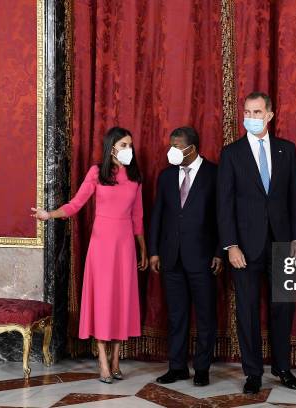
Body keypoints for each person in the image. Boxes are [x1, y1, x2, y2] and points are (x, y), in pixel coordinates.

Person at [31, 127, 148, 383]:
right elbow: (75, 204)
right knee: (104, 301)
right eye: (124, 145)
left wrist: (143, 249)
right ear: (112, 147)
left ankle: (117, 360)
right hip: (102, 246)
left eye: (131, 144)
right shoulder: (97, 172)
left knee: (122, 301)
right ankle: (103, 361)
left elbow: (138, 217)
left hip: (126, 245)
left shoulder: (136, 176)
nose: (129, 149)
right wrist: (48, 214)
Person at [217, 92, 296, 394]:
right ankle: (252, 372)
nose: (251, 117)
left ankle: (282, 367)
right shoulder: (231, 153)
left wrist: (295, 238)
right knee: (248, 310)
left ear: (270, 115)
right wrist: (230, 245)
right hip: (244, 247)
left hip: (281, 244)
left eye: (257, 112)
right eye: (247, 112)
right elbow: (223, 204)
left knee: (283, 308)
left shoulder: (286, 150)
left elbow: (295, 197)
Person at [149, 126, 222, 387]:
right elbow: (158, 214)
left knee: (205, 316)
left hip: (203, 257)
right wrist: (155, 250)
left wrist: (219, 252)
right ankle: (177, 366)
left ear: (192, 148)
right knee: (176, 315)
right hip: (171, 257)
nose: (172, 151)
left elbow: (221, 216)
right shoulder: (166, 176)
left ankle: (202, 368)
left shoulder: (215, 173)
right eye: (171, 145)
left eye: (177, 146)